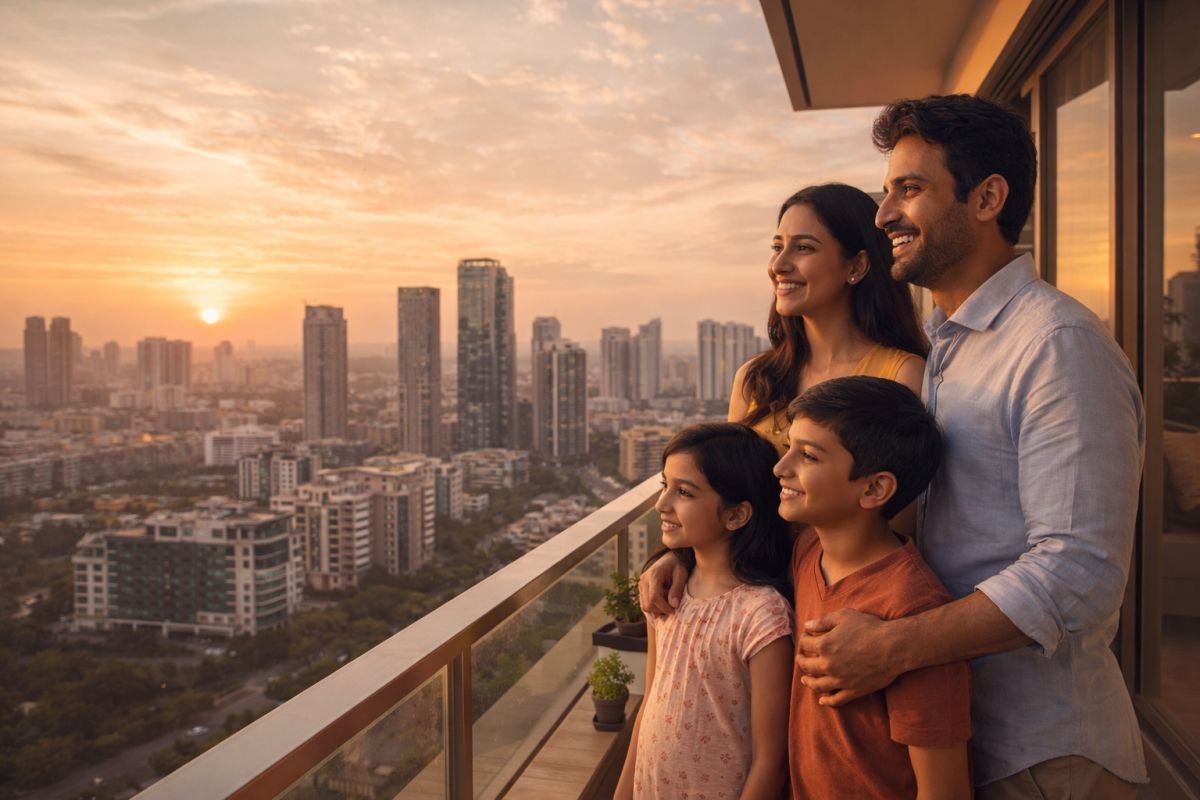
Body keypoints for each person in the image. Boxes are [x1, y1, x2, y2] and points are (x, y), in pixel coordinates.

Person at [789, 95, 1147, 798]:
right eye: (886, 190)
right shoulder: (952, 345)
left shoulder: (1055, 346)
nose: (884, 213)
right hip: (960, 737)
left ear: (987, 198)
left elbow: (1079, 570)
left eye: (910, 189)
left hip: (1043, 755)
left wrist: (894, 646)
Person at [777, 376, 970, 799]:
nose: (781, 467)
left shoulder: (910, 608)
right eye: (788, 446)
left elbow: (945, 790)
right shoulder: (809, 550)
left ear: (874, 488)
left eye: (807, 455)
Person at [614, 423, 793, 800]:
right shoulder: (666, 594)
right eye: (665, 485)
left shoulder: (761, 614)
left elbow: (770, 760)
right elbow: (649, 706)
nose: (662, 504)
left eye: (684, 492)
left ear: (736, 515)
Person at [731, 183, 929, 454]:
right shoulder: (756, 380)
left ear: (856, 265)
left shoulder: (902, 375)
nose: (779, 265)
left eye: (803, 248)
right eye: (777, 247)